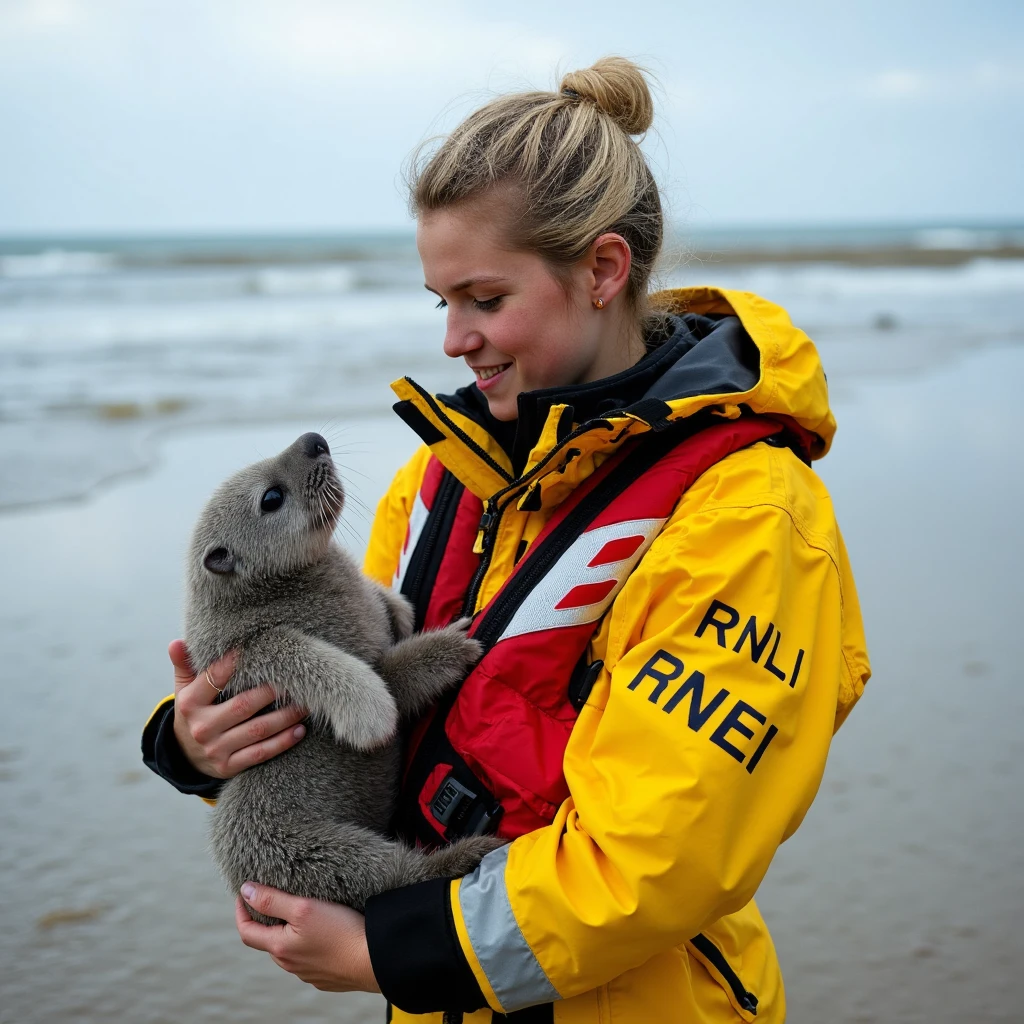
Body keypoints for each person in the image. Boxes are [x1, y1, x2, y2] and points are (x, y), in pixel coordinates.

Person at [143, 56, 870, 1024]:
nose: (453, 339)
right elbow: (354, 737)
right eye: (439, 301)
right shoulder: (442, 478)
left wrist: (393, 951)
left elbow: (666, 849)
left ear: (603, 270)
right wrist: (205, 744)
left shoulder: (746, 517)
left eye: (484, 300)